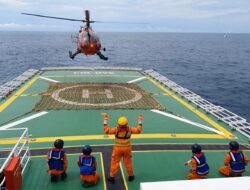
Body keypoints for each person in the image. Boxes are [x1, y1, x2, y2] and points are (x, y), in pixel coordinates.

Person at [103, 114, 143, 184]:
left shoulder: (116, 129)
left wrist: (105, 121)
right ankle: (131, 176)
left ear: (118, 123)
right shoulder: (130, 129)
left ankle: (112, 177)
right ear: (127, 123)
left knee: (115, 163)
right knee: (128, 162)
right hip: (127, 148)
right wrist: (140, 121)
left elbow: (107, 131)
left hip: (117, 149)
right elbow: (138, 130)